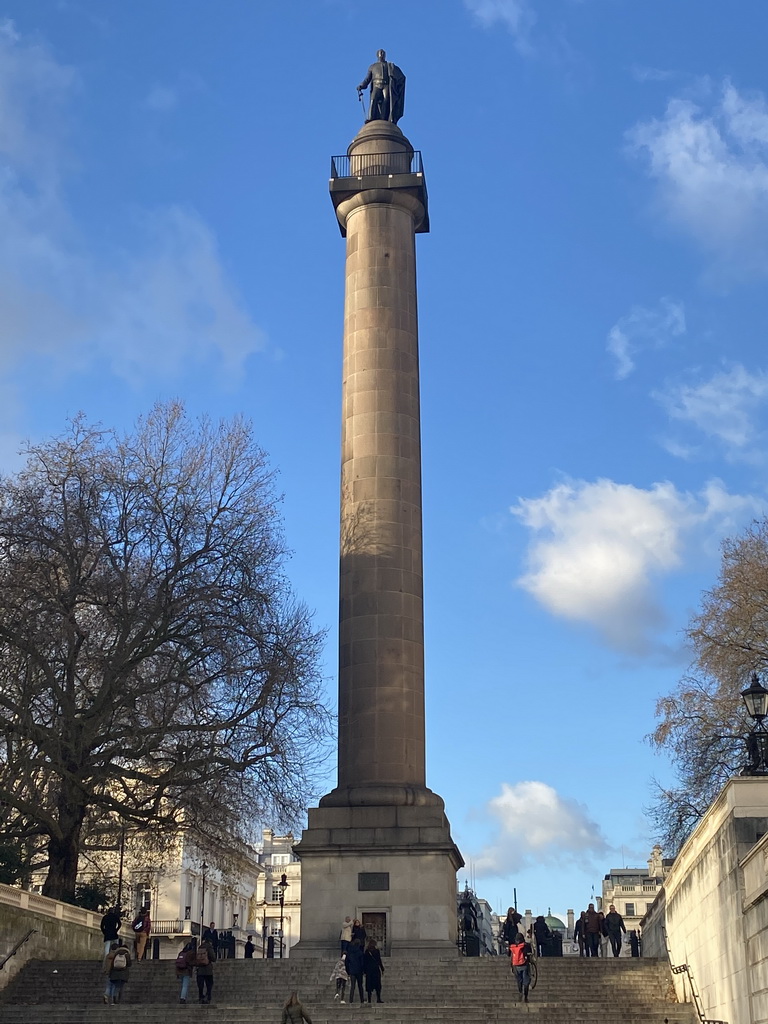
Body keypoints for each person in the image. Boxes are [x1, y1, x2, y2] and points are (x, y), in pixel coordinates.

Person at [103, 939, 131, 1004]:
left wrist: (107, 970)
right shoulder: (126, 954)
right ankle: (117, 999)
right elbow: (129, 964)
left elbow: (112, 963)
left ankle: (110, 996)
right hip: (123, 973)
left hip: (114, 972)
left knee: (112, 986)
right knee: (120, 987)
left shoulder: (115, 954)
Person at [509, 932, 533, 1003]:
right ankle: (525, 996)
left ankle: (520, 992)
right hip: (524, 965)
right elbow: (530, 953)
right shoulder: (526, 945)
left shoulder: (513, 947)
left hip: (515, 966)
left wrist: (511, 966)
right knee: (526, 982)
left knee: (519, 981)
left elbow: (511, 956)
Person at [195, 936, 215, 1004]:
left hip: (200, 969)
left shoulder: (200, 947)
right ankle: (208, 997)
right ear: (210, 942)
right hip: (207, 969)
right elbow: (213, 958)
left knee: (201, 985)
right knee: (209, 984)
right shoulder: (209, 947)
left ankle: (201, 997)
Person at [363, 938, 384, 1003]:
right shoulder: (376, 951)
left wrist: (364, 971)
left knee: (369, 985)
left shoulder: (367, 951)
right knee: (377, 985)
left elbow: (365, 962)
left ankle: (369, 999)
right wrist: (382, 968)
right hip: (375, 970)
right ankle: (378, 998)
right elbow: (379, 960)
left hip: (369, 970)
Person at [345, 937, 365, 1003]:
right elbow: (362, 963)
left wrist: (348, 971)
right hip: (359, 971)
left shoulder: (350, 952)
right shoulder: (360, 952)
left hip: (352, 971)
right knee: (360, 986)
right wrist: (363, 971)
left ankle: (351, 1000)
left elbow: (347, 962)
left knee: (352, 986)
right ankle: (362, 999)